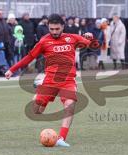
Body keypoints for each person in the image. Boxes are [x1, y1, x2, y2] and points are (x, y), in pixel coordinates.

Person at [5, 14, 94, 147]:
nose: (54, 32)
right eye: (51, 29)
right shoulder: (44, 41)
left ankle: (61, 139)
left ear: (62, 27)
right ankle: (39, 92)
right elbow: (29, 57)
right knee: (37, 110)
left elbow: (89, 43)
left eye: (57, 29)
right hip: (50, 81)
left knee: (70, 106)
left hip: (68, 80)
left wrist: (89, 37)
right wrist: (12, 69)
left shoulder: (72, 38)